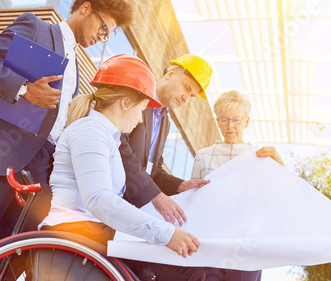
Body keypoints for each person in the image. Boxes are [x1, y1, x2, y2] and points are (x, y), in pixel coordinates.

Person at [0, 1, 133, 280]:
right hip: (0, 160)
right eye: (104, 27)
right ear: (85, 8)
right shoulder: (36, 29)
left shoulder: (76, 65)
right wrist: (23, 89)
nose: (101, 37)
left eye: (108, 35)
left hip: (37, 175)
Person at [39, 54, 206, 281]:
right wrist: (166, 234)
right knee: (186, 272)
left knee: (186, 269)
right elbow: (99, 199)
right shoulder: (91, 131)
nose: (140, 120)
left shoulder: (107, 136)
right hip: (78, 232)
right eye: (142, 109)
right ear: (126, 103)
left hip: (96, 230)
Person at [191, 90, 285, 281]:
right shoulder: (204, 156)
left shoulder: (261, 156)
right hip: (211, 242)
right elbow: (193, 200)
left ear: (246, 122)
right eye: (224, 120)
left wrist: (280, 166)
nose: (230, 126)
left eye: (236, 120)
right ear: (217, 121)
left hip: (247, 245)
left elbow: (279, 198)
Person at [120, 54, 213, 226]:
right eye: (186, 88)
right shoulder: (136, 97)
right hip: (110, 200)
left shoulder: (165, 122)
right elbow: (120, 148)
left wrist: (181, 186)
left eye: (191, 95)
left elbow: (154, 171)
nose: (186, 98)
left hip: (131, 209)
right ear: (170, 74)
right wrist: (154, 195)